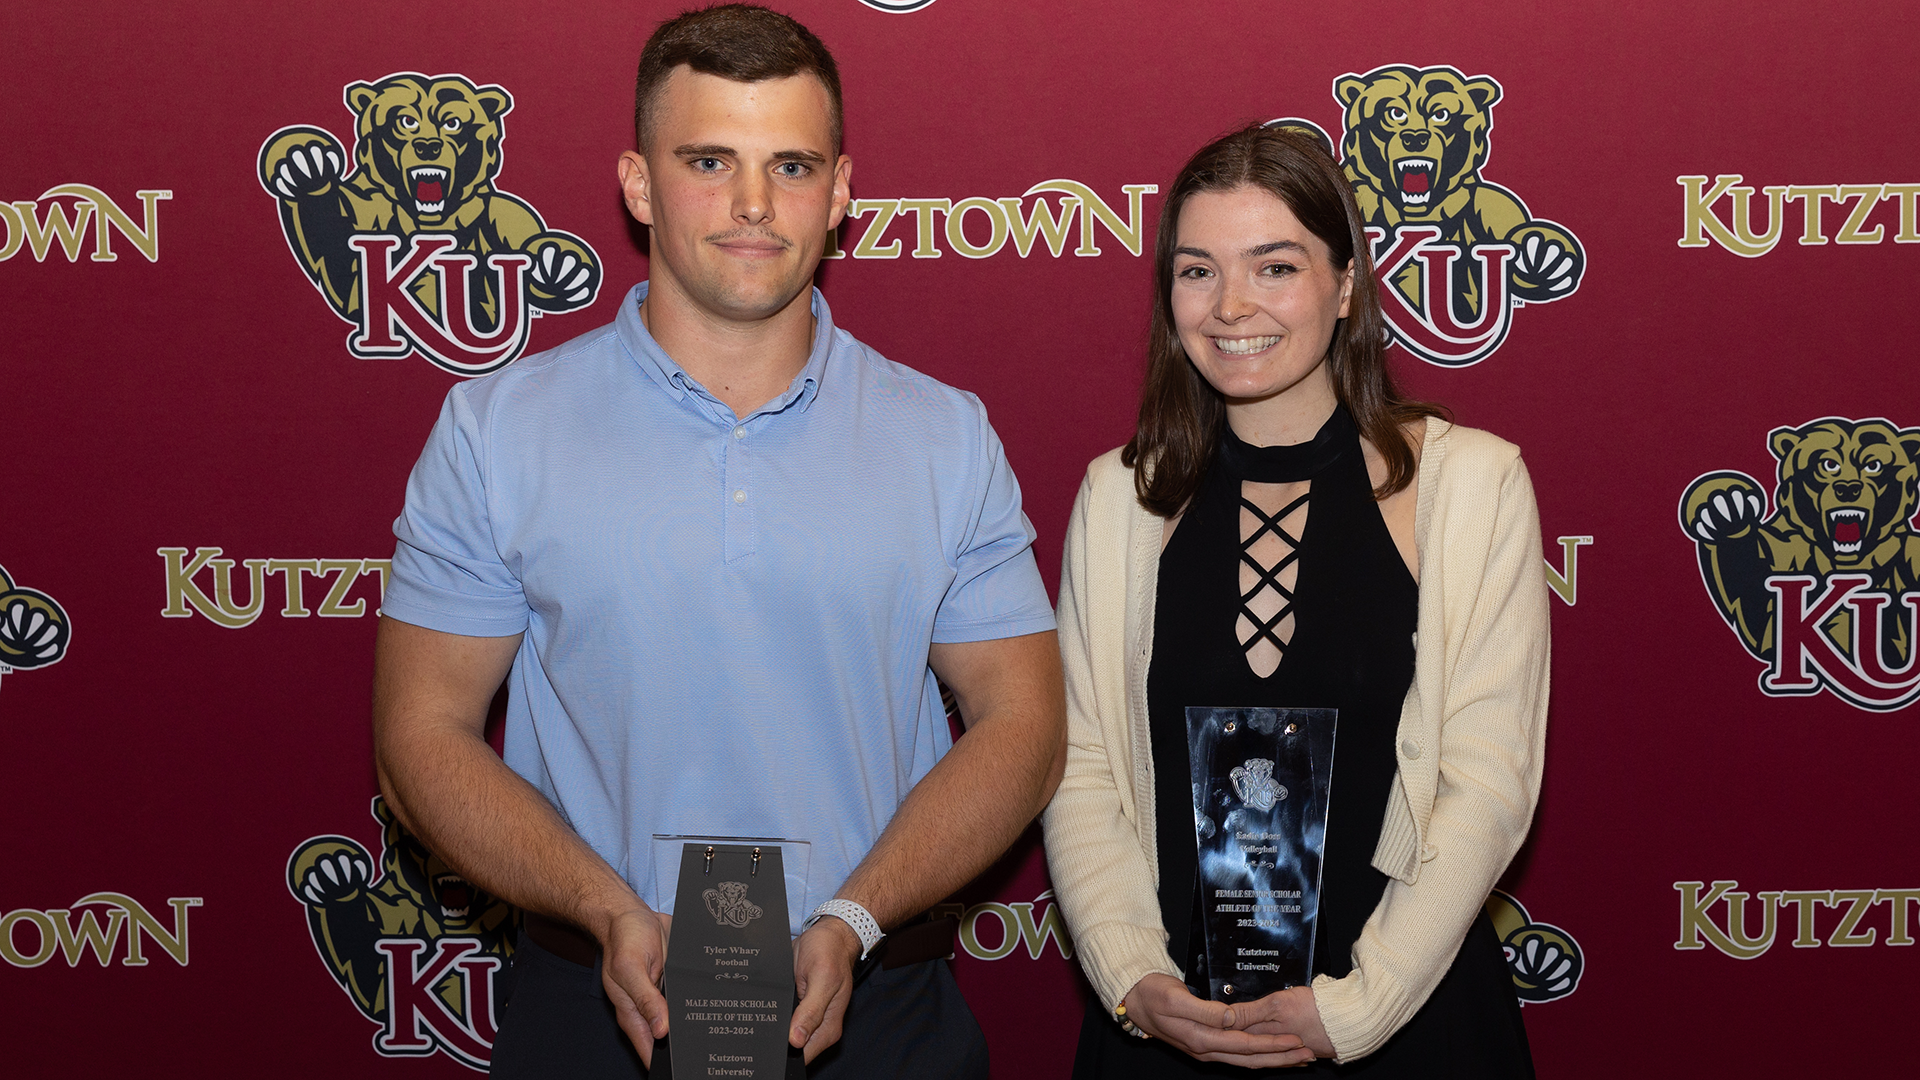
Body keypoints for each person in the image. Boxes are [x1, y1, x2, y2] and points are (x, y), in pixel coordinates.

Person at [369, 6, 1065, 1078]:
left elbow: (1021, 722)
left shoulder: (944, 435)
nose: (753, 204)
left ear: (839, 193)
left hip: (876, 1004)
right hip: (597, 1009)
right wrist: (604, 910)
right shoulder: (497, 429)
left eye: (791, 165)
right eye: (708, 160)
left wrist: (855, 916)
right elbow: (422, 734)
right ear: (638, 185)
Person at [1040, 124, 1549, 1077]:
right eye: (1198, 271)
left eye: (1274, 266)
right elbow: (1082, 770)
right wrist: (1129, 974)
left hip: (1407, 1027)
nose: (1231, 306)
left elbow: (1485, 786)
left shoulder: (1472, 485)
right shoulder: (1119, 497)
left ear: (1345, 284)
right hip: (1172, 1027)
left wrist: (1357, 1009)